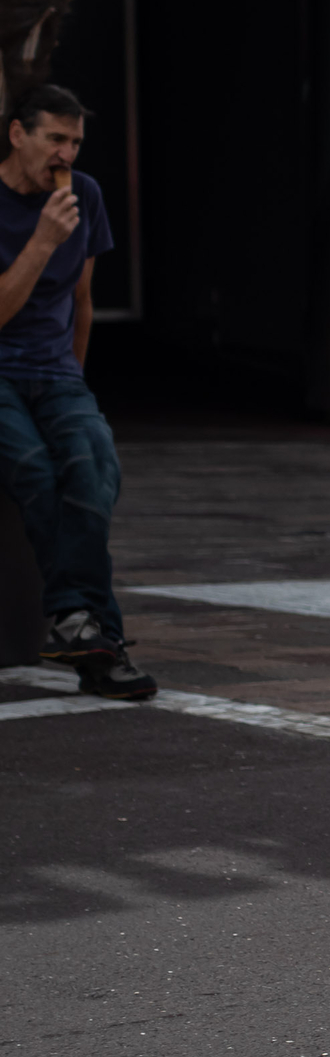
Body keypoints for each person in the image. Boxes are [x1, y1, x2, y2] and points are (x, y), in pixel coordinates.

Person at [0, 83, 151, 698]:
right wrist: (42, 241)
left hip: (56, 371)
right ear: (17, 134)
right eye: (54, 139)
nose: (66, 154)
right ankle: (98, 646)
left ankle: (73, 621)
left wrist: (74, 387)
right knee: (35, 473)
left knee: (93, 466)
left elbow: (82, 303)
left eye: (76, 142)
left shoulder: (83, 195)